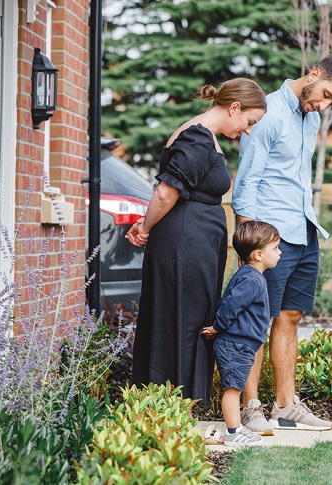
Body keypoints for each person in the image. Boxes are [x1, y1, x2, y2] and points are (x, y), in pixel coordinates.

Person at [231, 56, 332, 434]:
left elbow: (299, 178)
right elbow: (246, 180)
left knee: (290, 316)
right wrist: (249, 244)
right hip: (269, 234)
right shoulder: (268, 113)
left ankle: (286, 406)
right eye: (324, 95)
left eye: (331, 103)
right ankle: (251, 406)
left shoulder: (312, 118)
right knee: (256, 318)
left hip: (303, 229)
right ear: (314, 75)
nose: (323, 105)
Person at [126, 78, 267, 404]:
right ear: (234, 108)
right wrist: (145, 227)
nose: (247, 130)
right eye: (249, 121)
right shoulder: (197, 137)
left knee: (187, 319)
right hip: (185, 246)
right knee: (184, 321)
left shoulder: (202, 136)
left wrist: (148, 224)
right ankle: (175, 405)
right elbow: (165, 191)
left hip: (192, 244)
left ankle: (176, 405)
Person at [200, 221, 281, 447]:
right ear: (257, 254)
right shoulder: (251, 279)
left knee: (235, 387)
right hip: (235, 344)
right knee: (233, 389)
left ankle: (237, 428)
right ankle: (234, 432)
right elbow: (231, 305)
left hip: (241, 345)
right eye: (275, 248)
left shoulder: (251, 275)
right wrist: (218, 326)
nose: (279, 252)